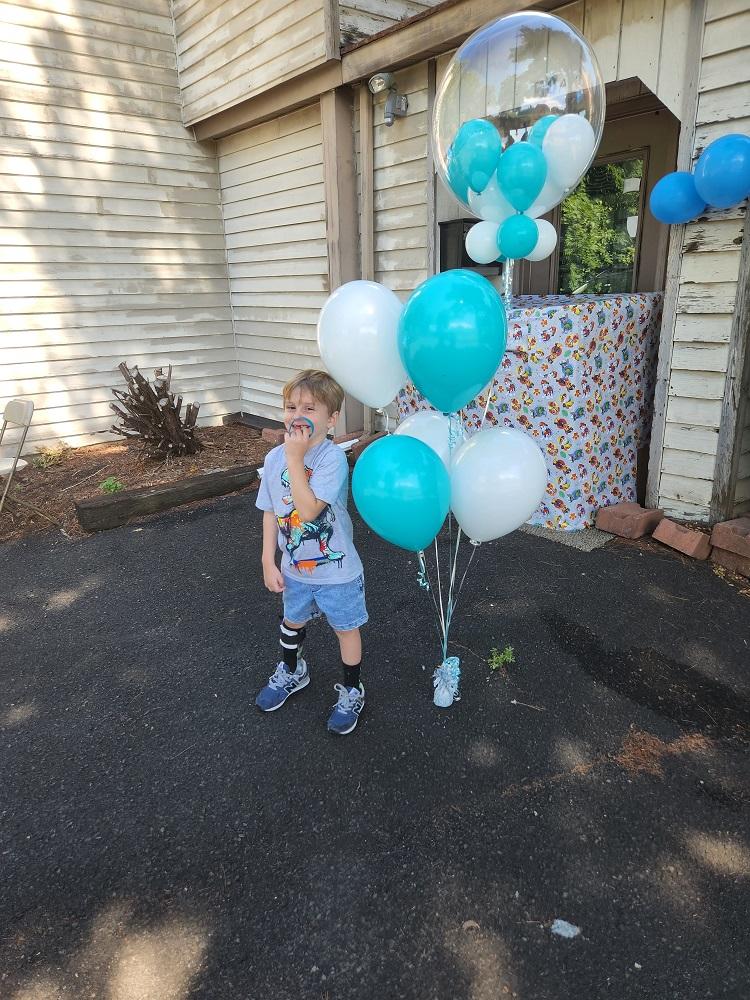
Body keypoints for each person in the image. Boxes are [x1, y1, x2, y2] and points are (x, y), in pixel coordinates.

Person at [254, 370, 367, 735]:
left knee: (345, 628)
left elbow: (308, 509)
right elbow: (271, 510)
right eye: (290, 406)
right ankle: (292, 670)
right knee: (292, 622)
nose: (297, 414)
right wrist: (267, 559)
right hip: (296, 569)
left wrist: (294, 457)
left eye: (309, 408)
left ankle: (353, 690)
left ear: (331, 419)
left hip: (337, 572)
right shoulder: (275, 459)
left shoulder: (331, 459)